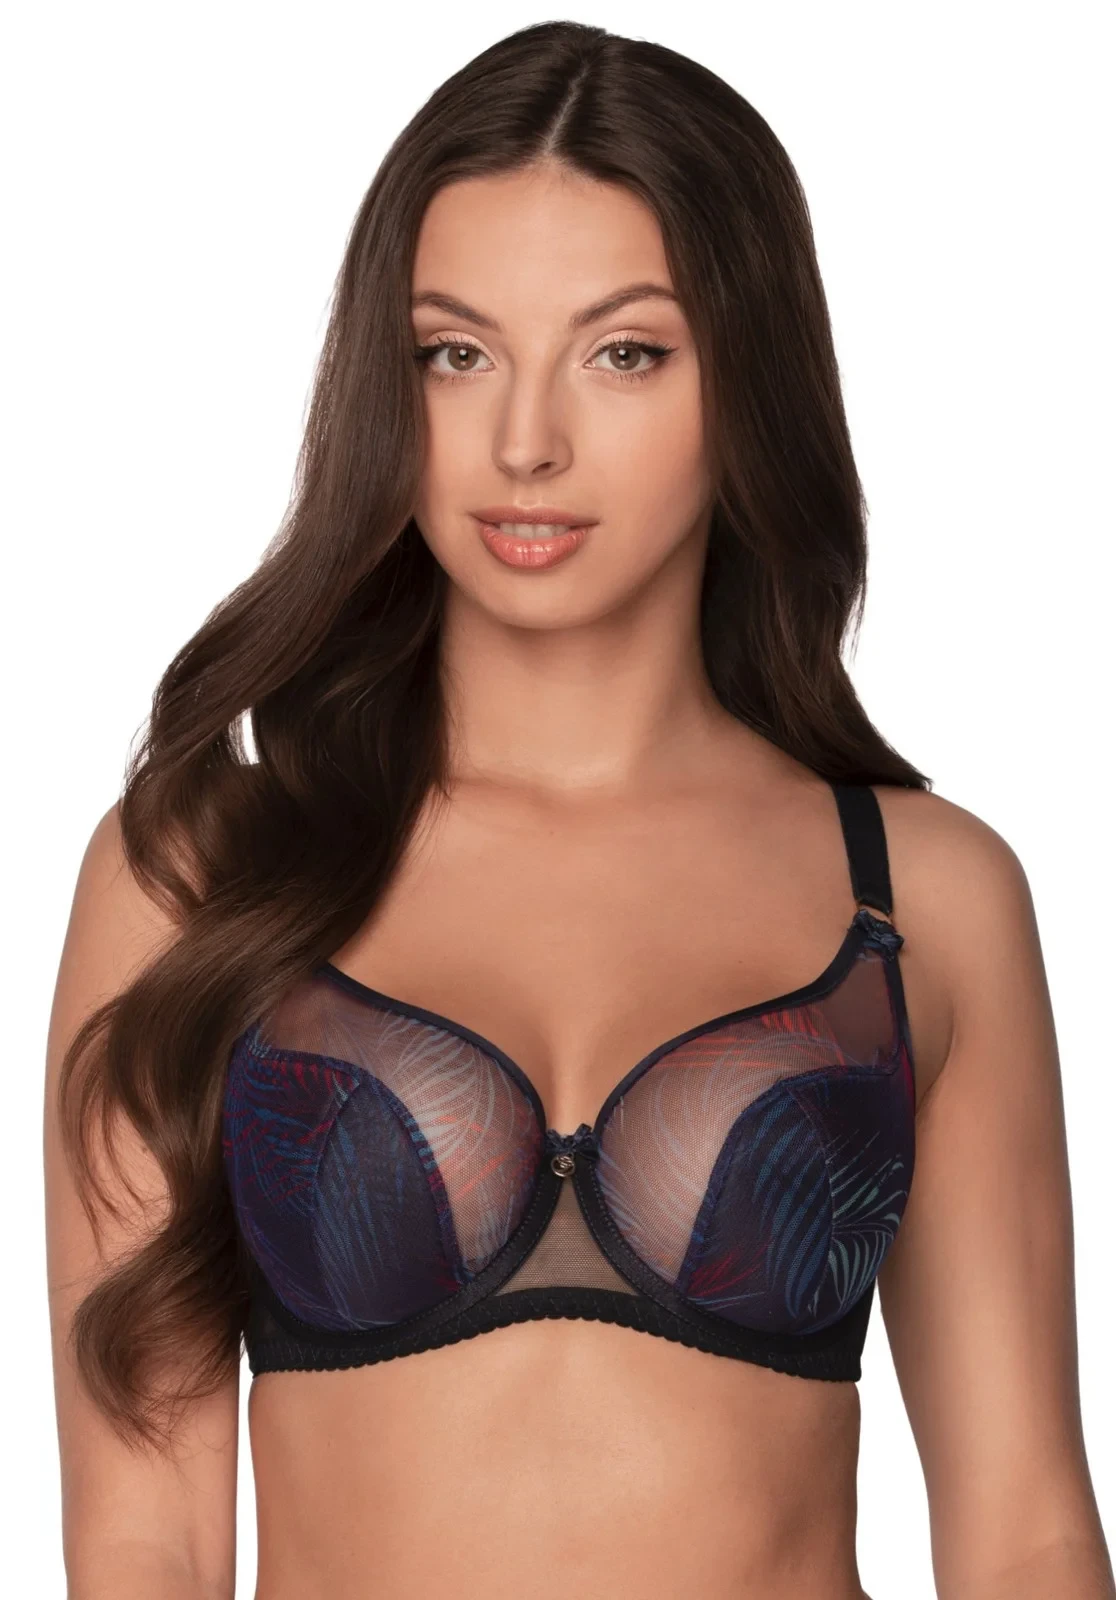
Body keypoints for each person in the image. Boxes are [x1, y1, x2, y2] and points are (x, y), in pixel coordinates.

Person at [44, 19, 1113, 1600]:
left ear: (747, 380)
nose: (525, 442)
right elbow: (145, 1534)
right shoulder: (201, 872)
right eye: (454, 353)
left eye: (624, 353)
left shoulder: (919, 893)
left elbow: (1026, 1529)